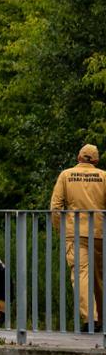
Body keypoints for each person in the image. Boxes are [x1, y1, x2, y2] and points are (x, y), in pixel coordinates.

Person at [51, 143, 106, 333]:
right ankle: (101, 319)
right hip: (99, 232)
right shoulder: (104, 176)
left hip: (74, 232)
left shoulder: (66, 175)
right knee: (99, 277)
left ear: (78, 157)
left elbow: (56, 207)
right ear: (96, 160)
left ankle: (90, 318)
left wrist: (60, 229)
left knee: (81, 274)